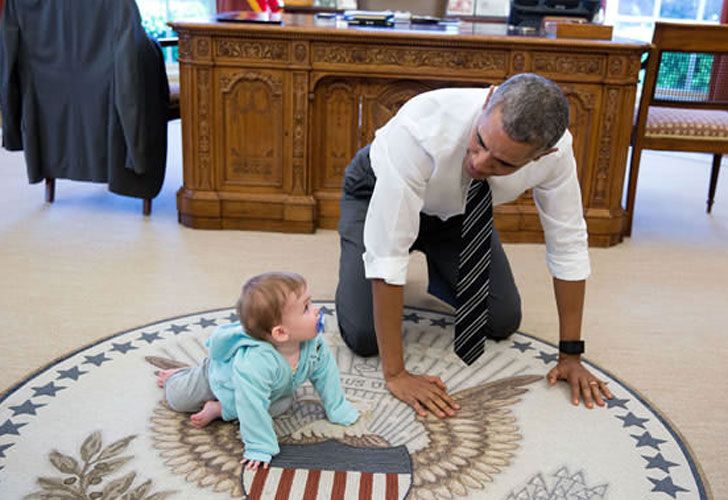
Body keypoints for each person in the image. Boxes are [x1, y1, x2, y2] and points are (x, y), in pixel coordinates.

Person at [335, 73, 613, 420]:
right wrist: (397, 375)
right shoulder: (422, 126)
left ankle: (439, 259)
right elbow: (387, 255)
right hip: (374, 192)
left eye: (503, 163)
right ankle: (355, 252)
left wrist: (571, 356)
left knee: (501, 319)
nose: (479, 164)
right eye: (480, 141)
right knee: (364, 337)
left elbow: (568, 243)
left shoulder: (557, 155)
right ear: (489, 99)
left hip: (459, 214)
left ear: (545, 154)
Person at [156, 271, 360, 471]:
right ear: (280, 332)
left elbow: (326, 375)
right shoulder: (256, 361)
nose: (316, 311)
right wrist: (259, 446)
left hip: (270, 392)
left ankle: (219, 410)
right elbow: (250, 403)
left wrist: (338, 407)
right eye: (306, 308)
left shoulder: (313, 345)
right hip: (218, 378)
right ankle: (177, 376)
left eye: (311, 302)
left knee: (283, 405)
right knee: (177, 399)